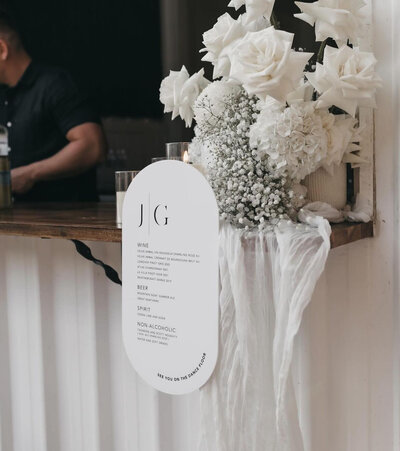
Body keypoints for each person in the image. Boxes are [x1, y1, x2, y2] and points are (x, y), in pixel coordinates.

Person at [0, 11, 107, 202]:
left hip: (69, 222)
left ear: (2, 50)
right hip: (15, 224)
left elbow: (92, 146)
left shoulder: (56, 85)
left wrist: (30, 173)